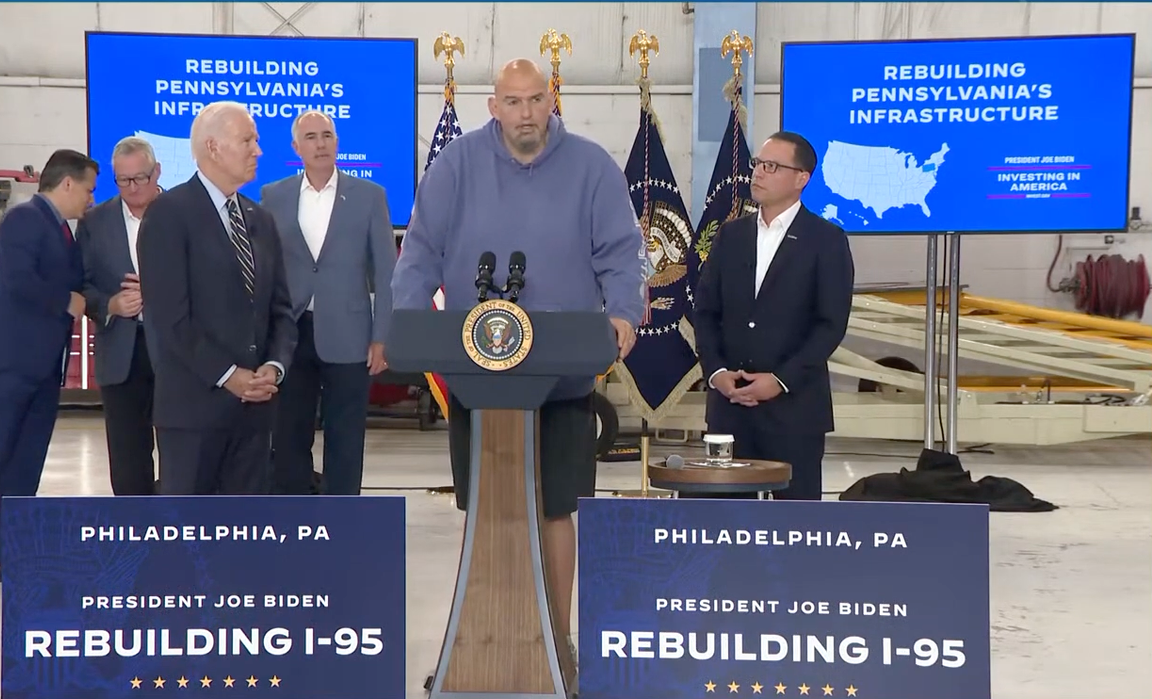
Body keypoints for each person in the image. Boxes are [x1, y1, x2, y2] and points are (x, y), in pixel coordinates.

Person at [390, 59, 645, 645]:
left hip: (562, 379)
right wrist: (406, 325)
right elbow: (421, 252)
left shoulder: (592, 167)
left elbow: (620, 251)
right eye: (513, 102)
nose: (526, 113)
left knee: (557, 508)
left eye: (536, 100)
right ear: (493, 106)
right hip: (475, 378)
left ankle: (556, 644)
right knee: (483, 510)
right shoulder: (455, 165)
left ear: (551, 100)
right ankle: (480, 641)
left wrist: (624, 310)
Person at [0, 149, 97, 593]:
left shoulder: (67, 231)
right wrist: (66, 301)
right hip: (9, 361)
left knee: (27, 464)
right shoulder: (22, 220)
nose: (91, 198)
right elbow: (17, 280)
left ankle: (10, 555)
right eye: (88, 189)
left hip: (46, 366)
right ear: (66, 184)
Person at [136, 101, 297, 495]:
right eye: (248, 140)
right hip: (193, 415)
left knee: (243, 543)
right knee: (190, 546)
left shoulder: (260, 219)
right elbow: (170, 318)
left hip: (255, 414)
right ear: (212, 147)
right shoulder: (168, 215)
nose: (258, 150)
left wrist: (274, 367)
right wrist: (229, 376)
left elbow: (280, 308)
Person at [692, 131, 855, 501]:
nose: (758, 174)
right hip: (729, 411)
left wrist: (780, 380)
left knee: (792, 525)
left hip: (794, 412)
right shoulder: (730, 236)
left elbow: (830, 325)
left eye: (772, 166)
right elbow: (705, 312)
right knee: (725, 522)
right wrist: (717, 373)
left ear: (802, 179)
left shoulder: (826, 240)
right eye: (758, 165)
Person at [260, 111, 396, 496]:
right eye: (311, 137)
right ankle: (293, 521)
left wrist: (382, 336)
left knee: (346, 436)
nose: (320, 144)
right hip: (291, 332)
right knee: (288, 434)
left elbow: (387, 273)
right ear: (296, 147)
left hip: (350, 333)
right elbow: (265, 271)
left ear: (337, 142)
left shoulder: (370, 196)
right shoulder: (274, 196)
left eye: (326, 136)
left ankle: (342, 524)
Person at [75, 136, 162, 496]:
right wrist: (110, 305)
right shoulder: (95, 222)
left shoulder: (184, 213)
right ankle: (136, 534)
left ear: (156, 172)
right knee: (127, 455)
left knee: (182, 451)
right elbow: (81, 286)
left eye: (140, 179)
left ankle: (179, 533)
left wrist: (158, 290)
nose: (132, 188)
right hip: (120, 354)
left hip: (178, 351)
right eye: (123, 181)